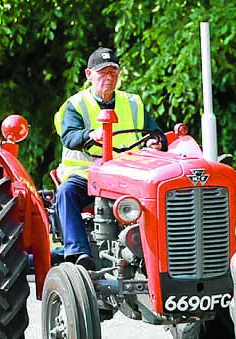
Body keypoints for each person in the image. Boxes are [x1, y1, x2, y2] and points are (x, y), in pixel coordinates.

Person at [54, 47, 161, 270]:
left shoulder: (133, 103)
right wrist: (90, 134)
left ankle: (158, 256)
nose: (109, 77)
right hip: (88, 174)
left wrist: (156, 141)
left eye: (113, 72)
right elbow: (69, 136)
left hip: (128, 174)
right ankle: (78, 252)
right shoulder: (75, 105)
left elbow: (156, 133)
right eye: (103, 72)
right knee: (67, 192)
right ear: (89, 75)